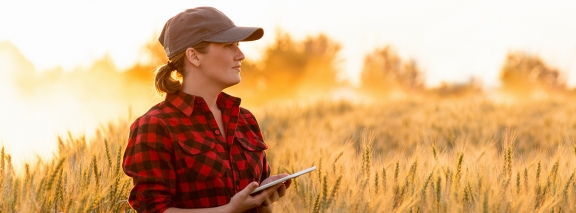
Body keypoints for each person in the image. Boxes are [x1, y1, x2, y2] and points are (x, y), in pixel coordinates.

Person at [122, 7, 291, 213]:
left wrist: (264, 195)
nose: (241, 55)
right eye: (229, 45)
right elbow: (154, 210)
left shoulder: (245, 119)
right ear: (194, 56)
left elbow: (259, 206)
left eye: (238, 45)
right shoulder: (155, 126)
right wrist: (229, 210)